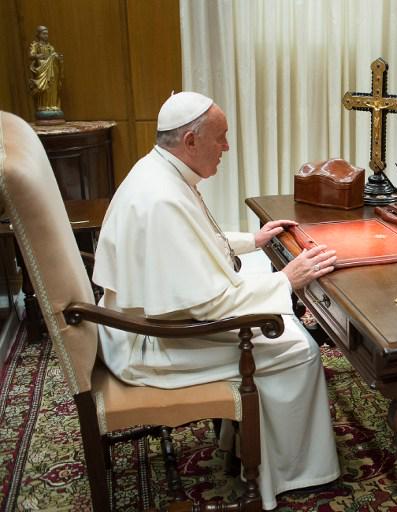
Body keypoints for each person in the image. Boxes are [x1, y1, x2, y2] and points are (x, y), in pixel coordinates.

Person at [92, 91, 340, 509]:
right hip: (151, 345)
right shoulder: (163, 197)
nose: (226, 146)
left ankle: (244, 444)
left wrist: (253, 241)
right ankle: (293, 474)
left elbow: (188, 245)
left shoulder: (158, 171)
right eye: (220, 137)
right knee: (299, 349)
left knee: (262, 281)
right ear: (190, 140)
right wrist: (286, 281)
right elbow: (209, 307)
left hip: (142, 326)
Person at [28, 26, 64, 120]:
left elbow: (54, 56)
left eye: (47, 34)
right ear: (39, 35)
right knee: (45, 88)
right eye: (44, 34)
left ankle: (52, 105)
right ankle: (43, 106)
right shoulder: (36, 45)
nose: (46, 36)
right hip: (42, 70)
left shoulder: (50, 47)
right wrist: (37, 56)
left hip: (52, 71)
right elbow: (31, 55)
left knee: (52, 86)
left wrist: (58, 57)